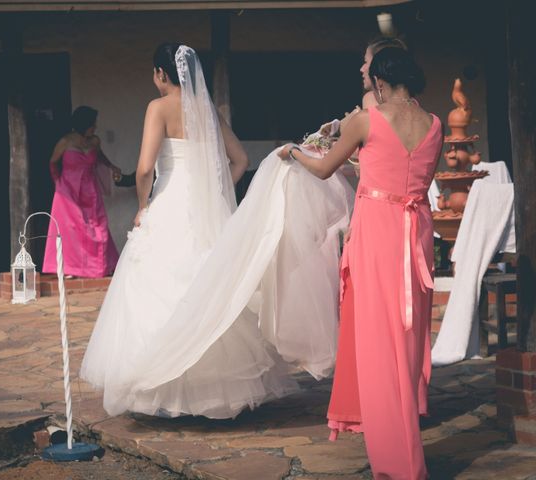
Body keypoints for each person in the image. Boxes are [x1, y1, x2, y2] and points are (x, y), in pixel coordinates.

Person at [81, 43, 328, 419]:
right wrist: (215, 191)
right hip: (205, 210)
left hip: (169, 205)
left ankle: (161, 392)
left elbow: (145, 167)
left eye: (154, 74)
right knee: (211, 287)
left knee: (160, 289)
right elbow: (241, 159)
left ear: (161, 75)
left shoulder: (157, 107)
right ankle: (210, 393)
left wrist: (144, 204)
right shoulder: (207, 111)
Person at [278, 48, 442, 479]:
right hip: (416, 233)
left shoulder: (366, 120)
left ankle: (399, 463)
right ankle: (403, 436)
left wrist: (293, 152)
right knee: (405, 342)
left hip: (378, 234)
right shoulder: (435, 124)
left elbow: (324, 169)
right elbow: (409, 174)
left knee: (377, 343)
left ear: (380, 84)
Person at [42, 106, 120, 278]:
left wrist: (112, 166)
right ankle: (71, 267)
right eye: (93, 124)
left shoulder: (95, 141)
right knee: (71, 228)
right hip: (68, 190)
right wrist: (58, 183)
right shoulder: (65, 141)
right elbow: (53, 162)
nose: (95, 127)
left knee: (98, 226)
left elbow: (99, 157)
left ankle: (100, 265)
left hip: (90, 190)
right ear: (83, 123)